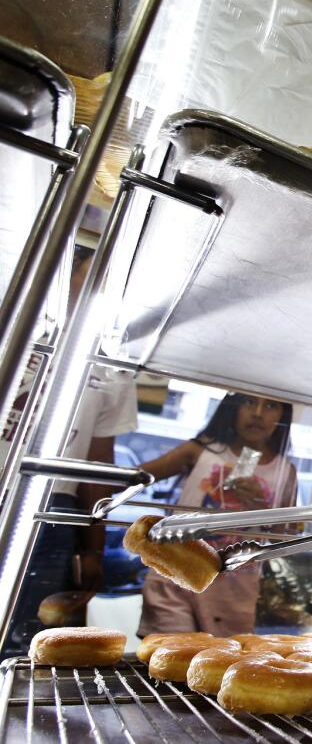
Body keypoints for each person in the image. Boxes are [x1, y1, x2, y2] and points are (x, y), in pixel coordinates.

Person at [0, 245, 138, 653]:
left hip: (55, 511)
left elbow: (99, 463)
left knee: (26, 634)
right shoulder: (15, 326)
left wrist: (93, 547)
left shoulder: (111, 362)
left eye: (114, 282)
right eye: (92, 273)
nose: (102, 288)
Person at [136, 392, 297, 636]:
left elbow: (286, 536)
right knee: (171, 654)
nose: (258, 413)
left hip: (236, 587)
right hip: (175, 573)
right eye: (249, 401)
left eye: (271, 405)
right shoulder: (199, 451)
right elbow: (134, 479)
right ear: (232, 407)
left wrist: (261, 509)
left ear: (282, 415)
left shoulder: (285, 471)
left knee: (220, 662)